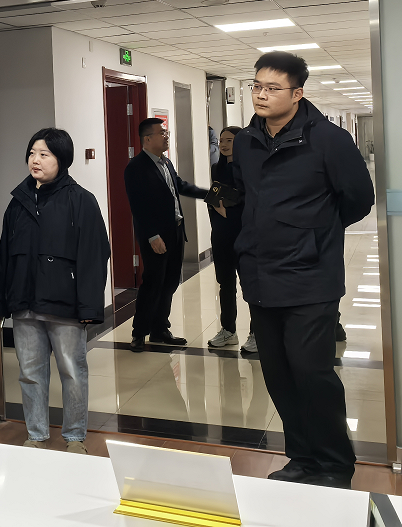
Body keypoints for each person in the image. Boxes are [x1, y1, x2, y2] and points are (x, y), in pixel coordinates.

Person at [234, 52, 373, 489]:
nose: (261, 95)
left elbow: (359, 199)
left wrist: (315, 234)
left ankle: (333, 464)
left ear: (297, 94)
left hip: (310, 278)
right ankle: (301, 456)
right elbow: (244, 196)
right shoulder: (246, 141)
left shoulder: (328, 140)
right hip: (260, 275)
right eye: (256, 86)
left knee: (312, 374)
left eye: (272, 88)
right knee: (278, 374)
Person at [0, 128, 110, 453]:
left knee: (72, 371)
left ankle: (75, 437)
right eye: (32, 153)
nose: (35, 160)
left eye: (44, 154)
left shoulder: (81, 200)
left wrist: (89, 307)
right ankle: (36, 434)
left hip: (65, 305)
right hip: (25, 303)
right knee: (29, 373)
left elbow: (94, 256)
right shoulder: (18, 203)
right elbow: (5, 257)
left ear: (62, 159)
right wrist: (0, 302)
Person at [124, 118, 208, 352]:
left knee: (170, 282)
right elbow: (138, 206)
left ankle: (160, 329)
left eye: (166, 132)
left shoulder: (166, 162)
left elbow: (179, 185)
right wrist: (152, 236)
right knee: (153, 283)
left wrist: (208, 194)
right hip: (156, 236)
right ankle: (139, 333)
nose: (166, 136)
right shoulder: (136, 167)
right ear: (147, 138)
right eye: (162, 133)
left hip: (176, 231)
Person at [205, 126, 255, 353]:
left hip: (244, 234)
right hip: (222, 234)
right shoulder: (217, 168)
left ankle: (256, 333)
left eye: (229, 141)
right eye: (221, 141)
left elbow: (251, 201)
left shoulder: (249, 168)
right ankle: (228, 330)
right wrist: (220, 209)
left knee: (250, 285)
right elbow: (214, 197)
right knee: (225, 284)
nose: (223, 145)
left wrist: (229, 210)